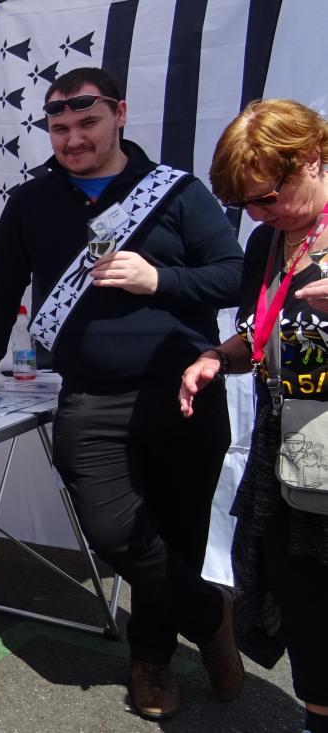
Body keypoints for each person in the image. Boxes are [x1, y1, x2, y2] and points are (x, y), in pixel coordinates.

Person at [0, 67, 244, 719]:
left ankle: (150, 660)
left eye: (87, 122)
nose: (72, 138)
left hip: (183, 392)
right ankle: (210, 611)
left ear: (120, 114)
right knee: (111, 530)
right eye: (59, 126)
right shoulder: (31, 202)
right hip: (91, 398)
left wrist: (158, 280)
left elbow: (234, 277)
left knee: (180, 535)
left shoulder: (175, 193)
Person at [180, 98, 328, 733]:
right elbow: (258, 335)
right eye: (247, 206)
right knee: (305, 600)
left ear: (313, 158)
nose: (259, 215)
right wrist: (217, 356)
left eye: (268, 197)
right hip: (294, 444)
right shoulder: (269, 241)